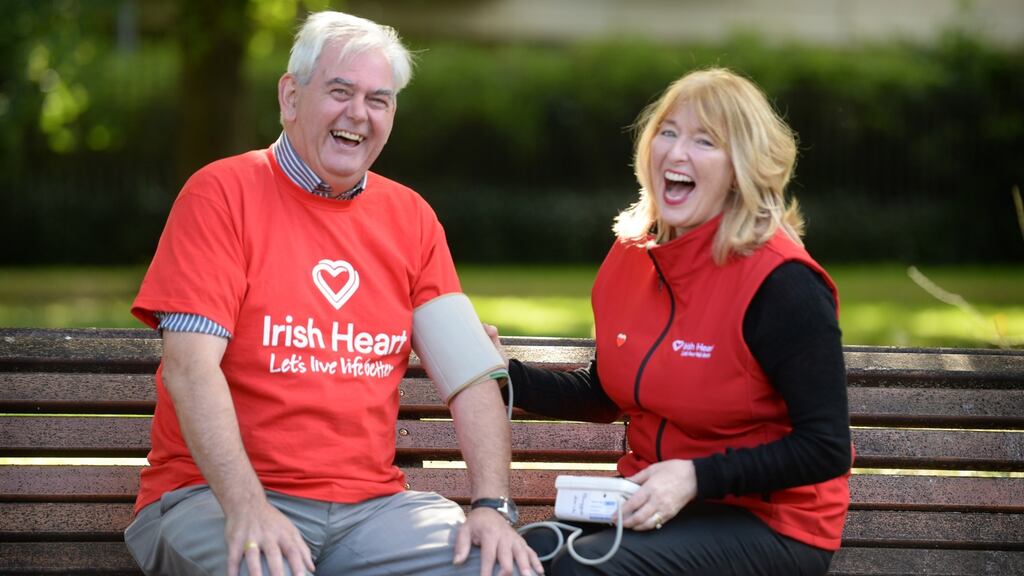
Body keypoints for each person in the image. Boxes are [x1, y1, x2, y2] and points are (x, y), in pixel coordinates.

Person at [124, 11, 542, 576]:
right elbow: (190, 370)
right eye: (340, 91)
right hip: (211, 497)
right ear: (291, 97)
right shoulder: (221, 195)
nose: (358, 114)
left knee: (498, 568)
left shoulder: (412, 219)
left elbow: (471, 377)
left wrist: (492, 506)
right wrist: (249, 508)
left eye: (378, 99)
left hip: (372, 511)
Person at [490, 68, 852, 575]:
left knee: (578, 569)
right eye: (668, 132)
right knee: (519, 557)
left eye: (705, 141)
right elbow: (608, 390)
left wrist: (693, 478)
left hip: (770, 525)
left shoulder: (782, 283)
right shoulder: (632, 254)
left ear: (741, 168)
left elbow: (826, 448)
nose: (677, 153)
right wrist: (504, 376)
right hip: (652, 504)